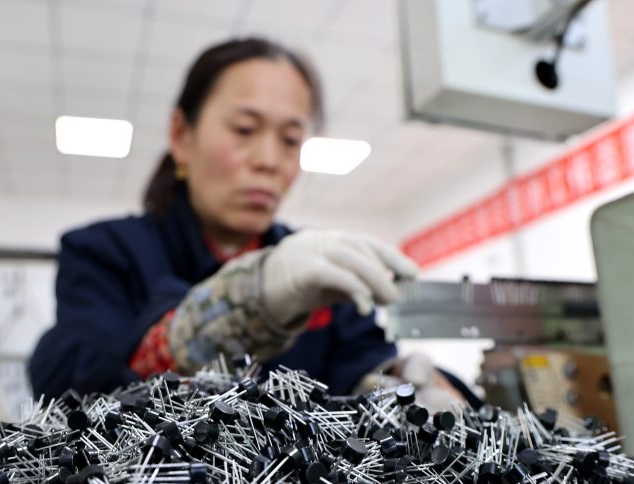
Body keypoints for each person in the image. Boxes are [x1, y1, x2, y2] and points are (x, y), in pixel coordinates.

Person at [29, 37, 472, 407]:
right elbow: (72, 379)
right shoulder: (105, 252)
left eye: (290, 140)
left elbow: (360, 360)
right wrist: (246, 302)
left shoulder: (317, 269)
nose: (268, 161)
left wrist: (403, 384)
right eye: (244, 130)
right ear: (182, 136)